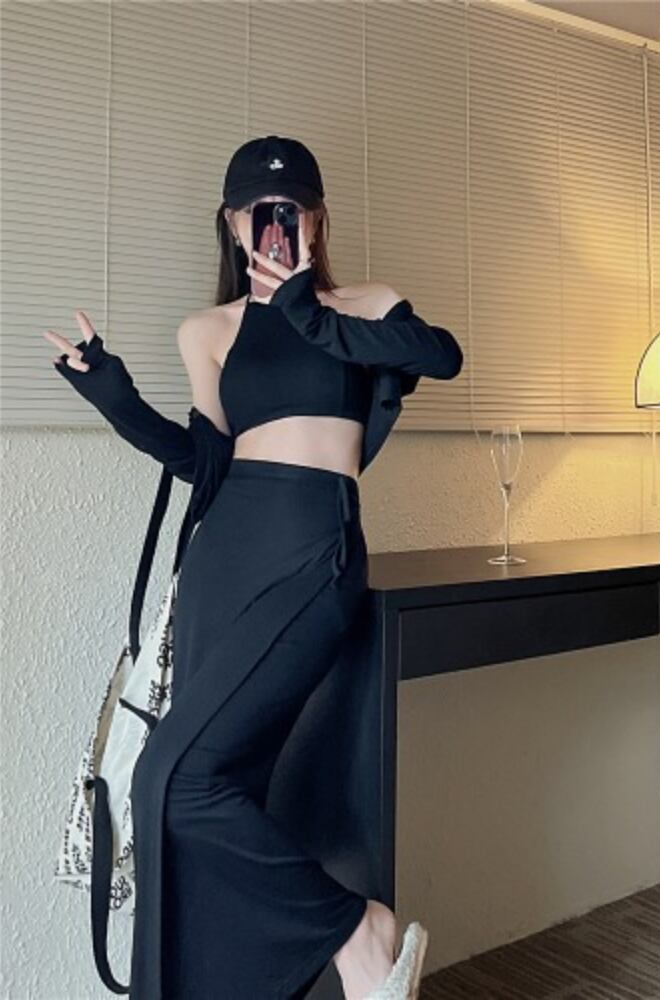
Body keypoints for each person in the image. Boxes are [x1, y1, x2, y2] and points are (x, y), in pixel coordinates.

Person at [46, 135, 462, 1000]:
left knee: (174, 778)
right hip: (225, 561)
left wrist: (306, 307)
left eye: (292, 209)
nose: (276, 224)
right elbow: (208, 465)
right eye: (258, 212)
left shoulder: (367, 306)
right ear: (233, 226)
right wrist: (118, 402)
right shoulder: (208, 330)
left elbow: (441, 356)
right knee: (195, 790)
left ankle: (357, 929)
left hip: (315, 547)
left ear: (317, 219)